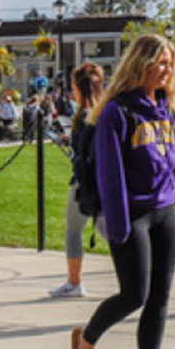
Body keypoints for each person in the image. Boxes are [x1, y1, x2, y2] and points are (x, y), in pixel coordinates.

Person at [69, 34, 175, 349]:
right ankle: (87, 339)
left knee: (160, 296)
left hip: (164, 212)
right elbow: (111, 174)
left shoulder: (166, 109)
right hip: (131, 216)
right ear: (140, 64)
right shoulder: (117, 112)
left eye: (169, 63)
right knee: (134, 294)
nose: (166, 69)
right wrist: (119, 223)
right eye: (160, 62)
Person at [50, 62, 105, 299]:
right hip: (102, 181)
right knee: (109, 231)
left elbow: (84, 151)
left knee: (74, 230)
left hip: (85, 182)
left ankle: (74, 282)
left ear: (76, 86)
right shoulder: (105, 110)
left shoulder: (84, 115)